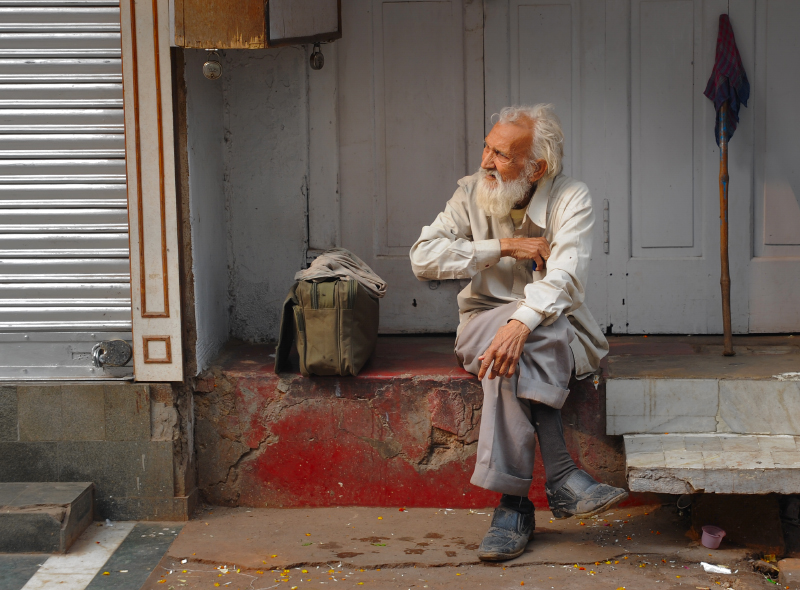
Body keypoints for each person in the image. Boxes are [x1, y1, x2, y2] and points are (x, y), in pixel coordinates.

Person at [409, 104, 626, 561]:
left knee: (531, 333)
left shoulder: (572, 198)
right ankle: (563, 474)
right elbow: (423, 257)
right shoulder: (470, 191)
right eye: (487, 147)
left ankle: (513, 505)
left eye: (502, 155)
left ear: (537, 167)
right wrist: (503, 246)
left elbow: (564, 278)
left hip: (553, 328)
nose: (486, 161)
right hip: (482, 324)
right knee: (526, 335)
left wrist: (518, 324)